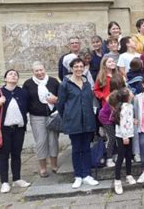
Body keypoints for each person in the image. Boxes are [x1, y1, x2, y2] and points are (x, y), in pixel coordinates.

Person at [0, 69, 31, 193]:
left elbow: (28, 107)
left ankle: (17, 179)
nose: (13, 75)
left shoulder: (22, 92)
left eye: (16, 74)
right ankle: (4, 182)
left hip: (19, 129)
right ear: (5, 79)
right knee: (4, 155)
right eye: (10, 74)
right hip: (3, 130)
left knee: (17, 154)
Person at [57, 58, 99, 189]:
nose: (79, 69)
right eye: (76, 66)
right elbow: (60, 104)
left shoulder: (87, 84)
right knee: (76, 149)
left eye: (81, 66)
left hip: (87, 120)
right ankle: (78, 176)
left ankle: (87, 175)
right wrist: (68, 116)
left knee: (86, 148)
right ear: (71, 68)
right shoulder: (65, 84)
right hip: (73, 121)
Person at [22, 61, 60, 178]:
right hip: (37, 117)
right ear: (33, 72)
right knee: (41, 141)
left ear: (45, 69)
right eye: (36, 71)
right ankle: (43, 168)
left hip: (53, 116)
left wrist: (56, 100)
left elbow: (62, 98)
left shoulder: (53, 81)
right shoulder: (28, 84)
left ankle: (54, 165)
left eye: (41, 70)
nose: (39, 73)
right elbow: (25, 101)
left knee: (53, 141)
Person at [108, 88, 136, 195]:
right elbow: (122, 122)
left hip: (129, 134)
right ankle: (117, 180)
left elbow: (127, 120)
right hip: (123, 136)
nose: (132, 94)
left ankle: (129, 174)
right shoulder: (124, 108)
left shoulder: (129, 106)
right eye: (130, 93)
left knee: (129, 155)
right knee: (121, 156)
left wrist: (133, 121)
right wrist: (125, 136)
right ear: (127, 97)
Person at [94, 57, 120, 167]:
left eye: (113, 61)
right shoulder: (101, 77)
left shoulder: (118, 76)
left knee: (119, 134)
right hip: (107, 110)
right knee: (111, 136)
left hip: (118, 108)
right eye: (109, 62)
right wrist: (104, 96)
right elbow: (96, 90)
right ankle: (109, 157)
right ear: (104, 65)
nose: (112, 63)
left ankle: (118, 155)